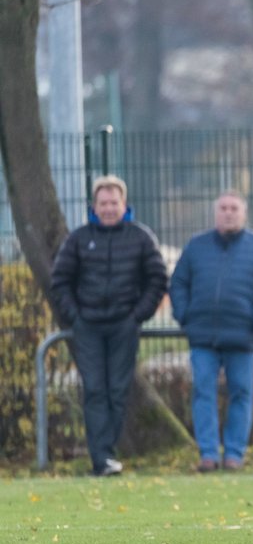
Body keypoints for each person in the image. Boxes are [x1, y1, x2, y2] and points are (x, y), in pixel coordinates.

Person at [50, 175, 169, 476]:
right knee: (94, 390)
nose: (108, 208)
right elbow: (61, 281)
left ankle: (108, 453)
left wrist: (137, 315)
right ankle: (100, 459)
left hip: (123, 326)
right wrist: (74, 316)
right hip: (87, 326)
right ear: (94, 206)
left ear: (124, 204)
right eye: (103, 203)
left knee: (117, 390)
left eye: (113, 203)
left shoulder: (141, 238)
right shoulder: (77, 239)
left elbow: (157, 279)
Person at [169, 190, 253, 472]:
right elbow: (178, 284)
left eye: (234, 208)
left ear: (244, 213)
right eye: (223, 208)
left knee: (241, 394)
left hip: (242, 337)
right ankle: (208, 454)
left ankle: (234, 454)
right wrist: (185, 316)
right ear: (215, 213)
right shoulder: (196, 247)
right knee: (203, 392)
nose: (229, 213)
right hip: (203, 337)